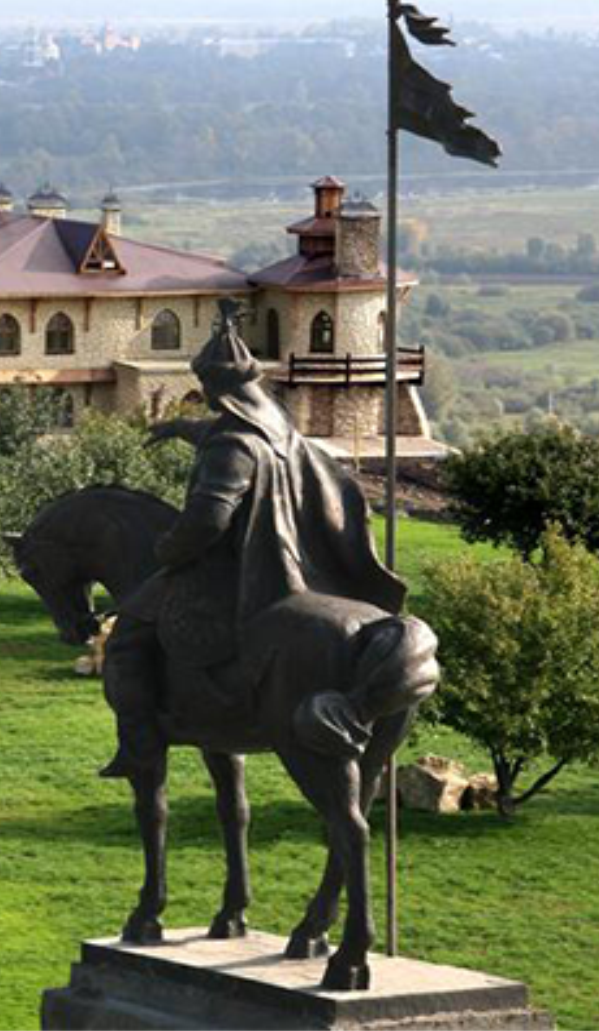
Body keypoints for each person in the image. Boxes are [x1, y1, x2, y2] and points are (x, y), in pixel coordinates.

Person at [99, 299, 406, 779]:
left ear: (221, 389)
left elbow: (208, 520)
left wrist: (169, 549)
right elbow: (234, 436)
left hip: (239, 567)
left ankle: (138, 746)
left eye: (208, 388)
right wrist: (185, 428)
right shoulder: (278, 429)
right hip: (300, 560)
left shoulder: (231, 447)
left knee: (130, 634)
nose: (206, 396)